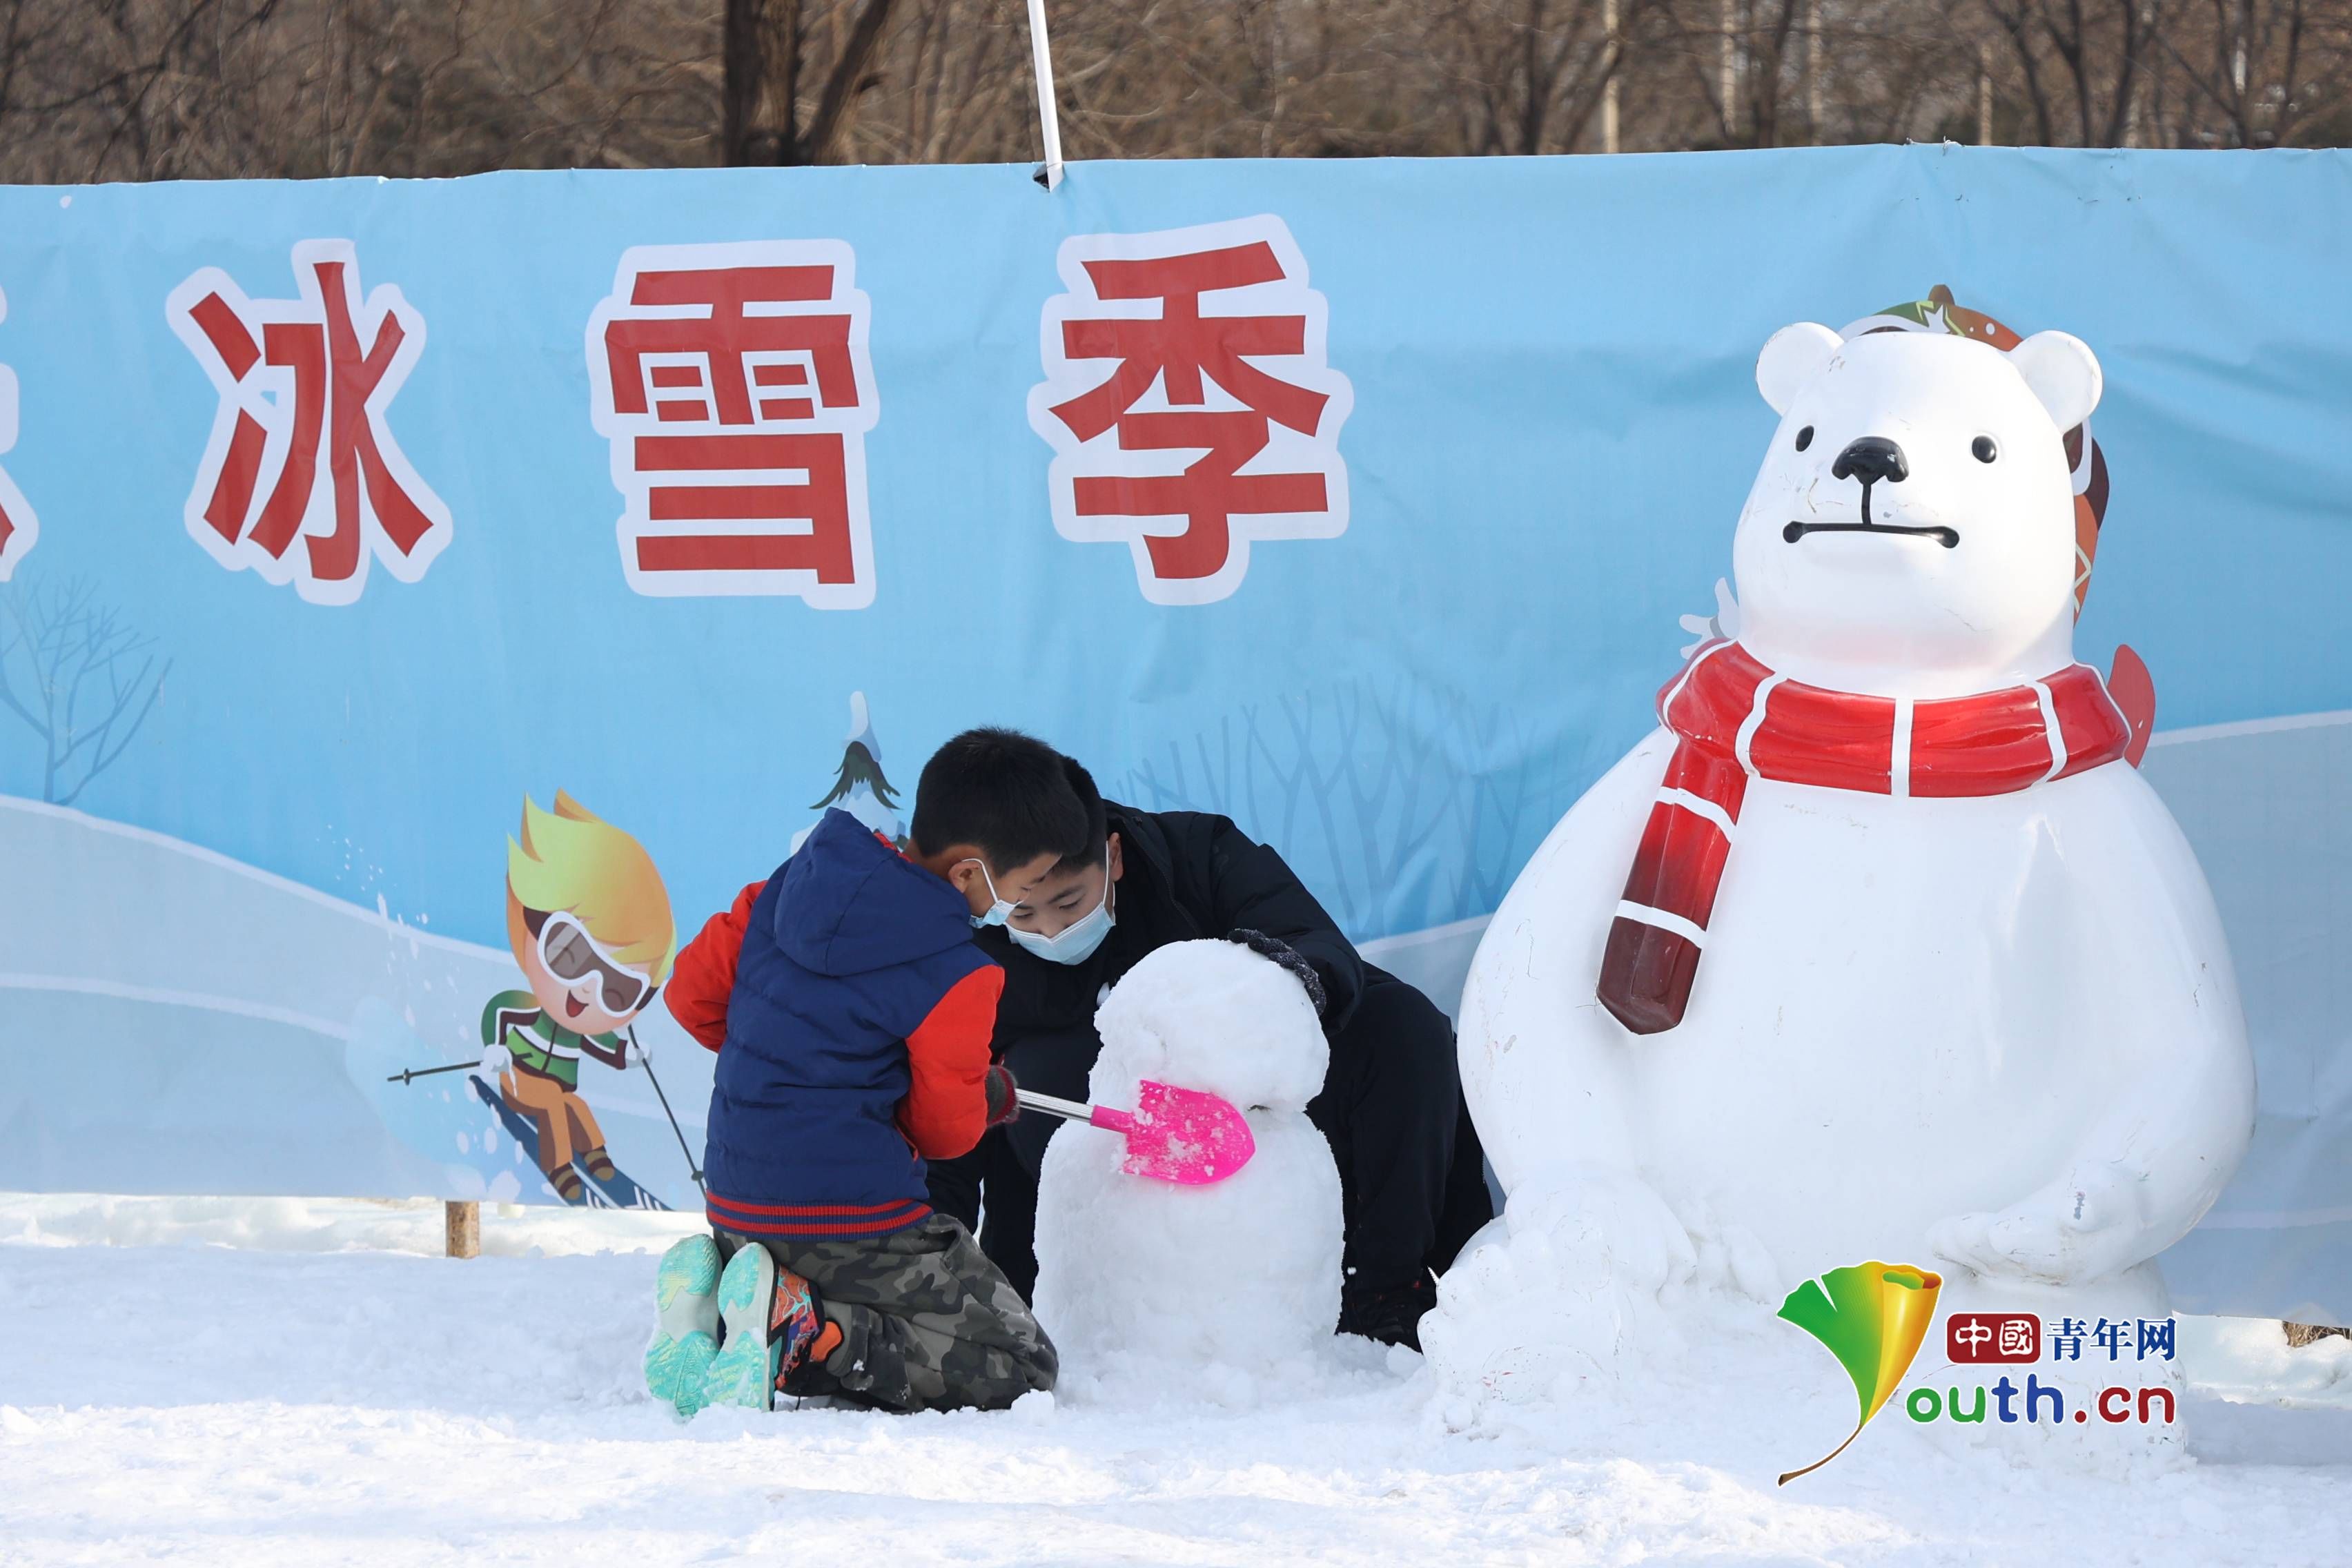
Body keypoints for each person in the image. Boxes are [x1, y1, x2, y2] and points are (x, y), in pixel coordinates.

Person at [927, 754, 1496, 1349]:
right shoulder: (964, 951)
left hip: (1256, 1119)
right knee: (1032, 1078)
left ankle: (1384, 1291)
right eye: (1023, 912)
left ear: (1113, 856)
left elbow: (1317, 947)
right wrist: (933, 1291)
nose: (1049, 929)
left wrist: (1256, 1007)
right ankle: (1135, 1313)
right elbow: (947, 1123)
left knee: (1405, 1025)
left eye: (1069, 904)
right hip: (1107, 1190)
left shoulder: (1195, 856)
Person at [640, 728, 1085, 1418]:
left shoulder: (785, 886)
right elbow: (946, 1134)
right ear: (970, 873)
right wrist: (987, 1092)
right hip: (855, 1221)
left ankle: (720, 1311)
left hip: (735, 1204)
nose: (1016, 909)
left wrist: (797, 1052)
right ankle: (804, 1330)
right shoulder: (957, 971)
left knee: (796, 1269)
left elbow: (690, 997)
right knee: (1022, 1363)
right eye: (1021, 890)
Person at [482, 792, 675, 1205]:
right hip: (518, 1077)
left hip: (557, 1085)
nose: (589, 987)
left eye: (617, 988)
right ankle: (561, 1169)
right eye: (569, 952)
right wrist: (495, 1050)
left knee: (576, 1105)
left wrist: (628, 1055)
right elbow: (499, 1008)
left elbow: (601, 1042)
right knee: (553, 1103)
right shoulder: (533, 1008)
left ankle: (597, 1156)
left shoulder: (578, 1028)